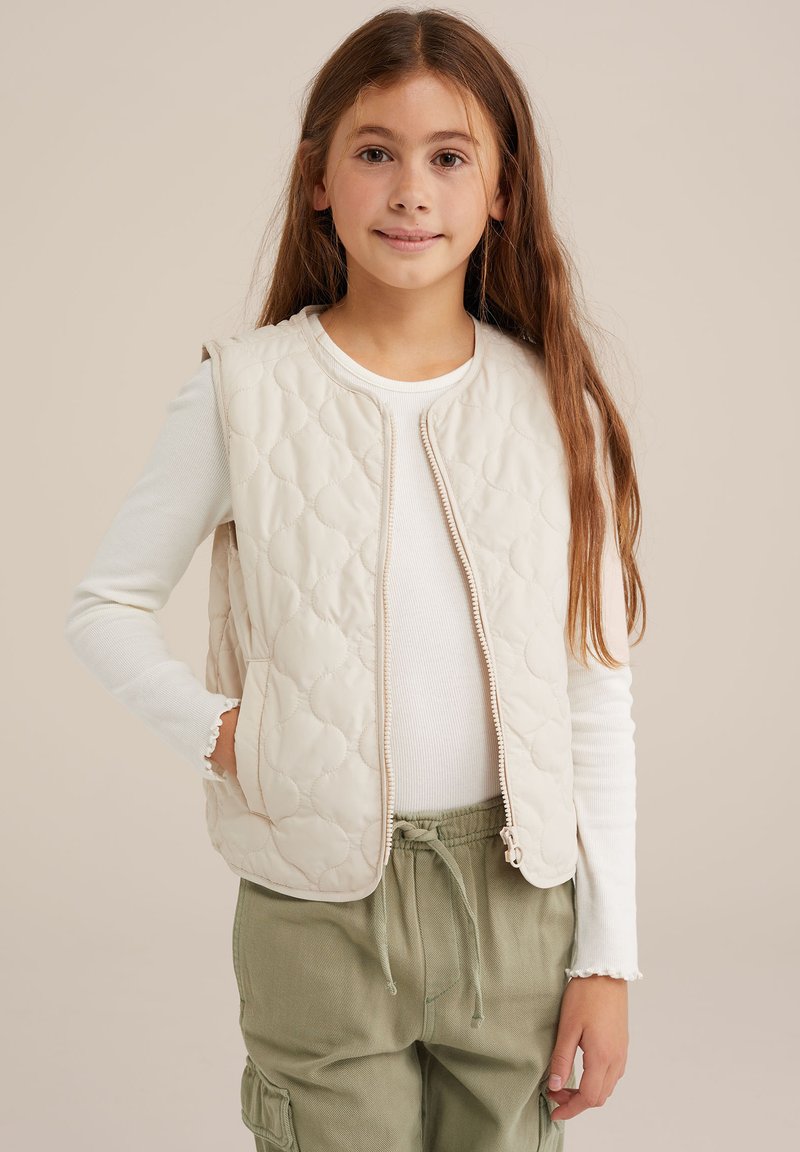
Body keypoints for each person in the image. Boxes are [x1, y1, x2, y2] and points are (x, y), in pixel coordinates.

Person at [64, 7, 647, 1150]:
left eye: (449, 158)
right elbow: (105, 608)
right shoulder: (244, 390)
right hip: (317, 911)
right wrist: (225, 734)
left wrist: (607, 957)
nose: (410, 191)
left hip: (516, 906)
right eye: (375, 152)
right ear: (319, 180)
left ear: (501, 191)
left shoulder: (550, 405)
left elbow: (592, 693)